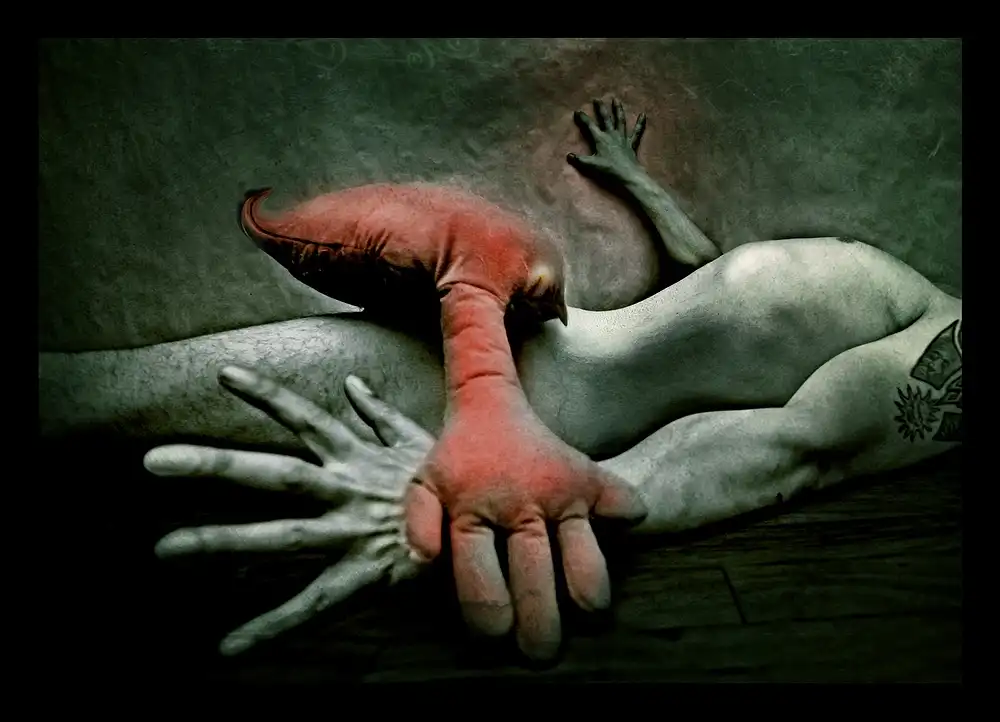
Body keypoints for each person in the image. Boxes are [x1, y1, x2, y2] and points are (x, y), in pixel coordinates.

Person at [39, 98, 962, 659]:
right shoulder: (928, 301)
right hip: (573, 351)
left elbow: (798, 447)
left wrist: (529, 495)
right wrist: (638, 182)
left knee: (87, 399)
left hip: (572, 388)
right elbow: (727, 289)